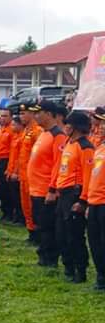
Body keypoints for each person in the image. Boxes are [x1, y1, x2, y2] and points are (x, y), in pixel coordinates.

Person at [55, 110, 94, 283]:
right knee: (61, 233)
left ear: (76, 127)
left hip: (75, 194)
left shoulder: (85, 147)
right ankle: (68, 266)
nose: (65, 127)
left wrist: (82, 200)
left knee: (74, 235)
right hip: (63, 193)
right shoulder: (69, 143)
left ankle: (80, 270)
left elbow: (88, 175)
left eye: (68, 124)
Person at [28, 101, 68, 268]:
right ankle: (43, 253)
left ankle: (50, 258)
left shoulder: (57, 135)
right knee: (40, 224)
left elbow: (58, 165)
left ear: (50, 114)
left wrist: (52, 189)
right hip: (35, 188)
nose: (35, 116)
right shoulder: (43, 133)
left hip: (46, 190)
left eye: (39, 113)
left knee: (48, 226)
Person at [15, 104, 42, 243]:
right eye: (20, 114)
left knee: (33, 206)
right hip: (23, 174)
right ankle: (31, 231)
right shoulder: (26, 130)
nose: (21, 117)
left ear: (32, 114)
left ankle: (37, 234)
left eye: (24, 113)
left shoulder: (37, 131)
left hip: (32, 176)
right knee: (25, 205)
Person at [86, 107, 105, 290]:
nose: (101, 126)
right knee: (95, 242)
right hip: (94, 202)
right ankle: (101, 277)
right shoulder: (99, 148)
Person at [0, 108, 15, 220]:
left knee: (7, 189)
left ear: (11, 117)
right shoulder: (1, 130)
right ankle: (5, 211)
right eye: (1, 116)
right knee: (1, 189)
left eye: (5, 116)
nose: (2, 118)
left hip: (6, 160)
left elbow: (13, 150)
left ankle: (9, 212)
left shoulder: (12, 131)